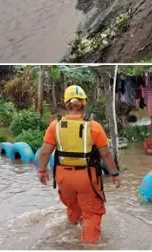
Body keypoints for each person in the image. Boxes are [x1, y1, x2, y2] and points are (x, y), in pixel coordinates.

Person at [37, 85, 121, 244]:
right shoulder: (94, 127)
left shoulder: (55, 125)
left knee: (73, 207)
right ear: (84, 103)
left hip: (63, 178)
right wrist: (115, 174)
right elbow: (105, 154)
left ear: (66, 104)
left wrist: (41, 171)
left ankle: (69, 237)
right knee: (91, 214)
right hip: (87, 178)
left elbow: (45, 152)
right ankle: (89, 245)